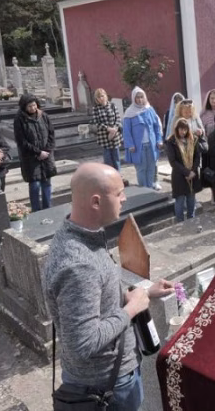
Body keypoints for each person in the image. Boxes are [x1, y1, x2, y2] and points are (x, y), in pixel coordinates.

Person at [42, 163, 174, 411]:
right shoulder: (78, 265)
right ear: (95, 202)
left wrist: (143, 293)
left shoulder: (82, 234)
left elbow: (100, 294)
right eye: (118, 194)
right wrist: (132, 308)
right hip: (106, 386)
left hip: (108, 377)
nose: (124, 199)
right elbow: (84, 343)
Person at [13, 94, 56, 212]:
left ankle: (48, 208)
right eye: (29, 106)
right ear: (24, 107)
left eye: (34, 105)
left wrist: (47, 151)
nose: (33, 108)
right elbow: (21, 141)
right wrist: (38, 152)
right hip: (30, 157)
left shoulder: (44, 116)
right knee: (35, 185)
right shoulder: (19, 119)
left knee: (46, 182)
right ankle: (36, 210)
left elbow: (51, 134)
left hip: (46, 155)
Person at [123, 87, 163, 191]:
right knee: (141, 169)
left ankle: (149, 189)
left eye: (141, 97)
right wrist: (130, 144)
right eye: (137, 98)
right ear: (133, 99)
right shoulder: (129, 112)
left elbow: (156, 127)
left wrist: (159, 140)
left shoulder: (149, 109)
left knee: (151, 167)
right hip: (138, 147)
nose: (140, 100)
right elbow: (126, 131)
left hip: (151, 144)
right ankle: (143, 190)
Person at [166, 118, 204, 222]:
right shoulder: (171, 141)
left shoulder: (193, 139)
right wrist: (186, 172)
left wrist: (193, 171)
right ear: (176, 129)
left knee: (191, 199)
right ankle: (180, 221)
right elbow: (173, 161)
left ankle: (191, 219)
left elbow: (197, 156)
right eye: (180, 129)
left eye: (185, 129)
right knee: (180, 200)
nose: (183, 132)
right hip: (179, 175)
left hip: (192, 174)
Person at [90, 88, 124, 172]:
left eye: (102, 95)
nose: (101, 98)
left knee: (116, 158)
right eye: (99, 97)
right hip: (104, 137)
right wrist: (108, 128)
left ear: (106, 95)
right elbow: (97, 122)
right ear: (96, 99)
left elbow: (118, 119)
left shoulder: (112, 105)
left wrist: (114, 129)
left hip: (115, 135)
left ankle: (118, 175)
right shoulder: (95, 109)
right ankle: (109, 176)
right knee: (108, 158)